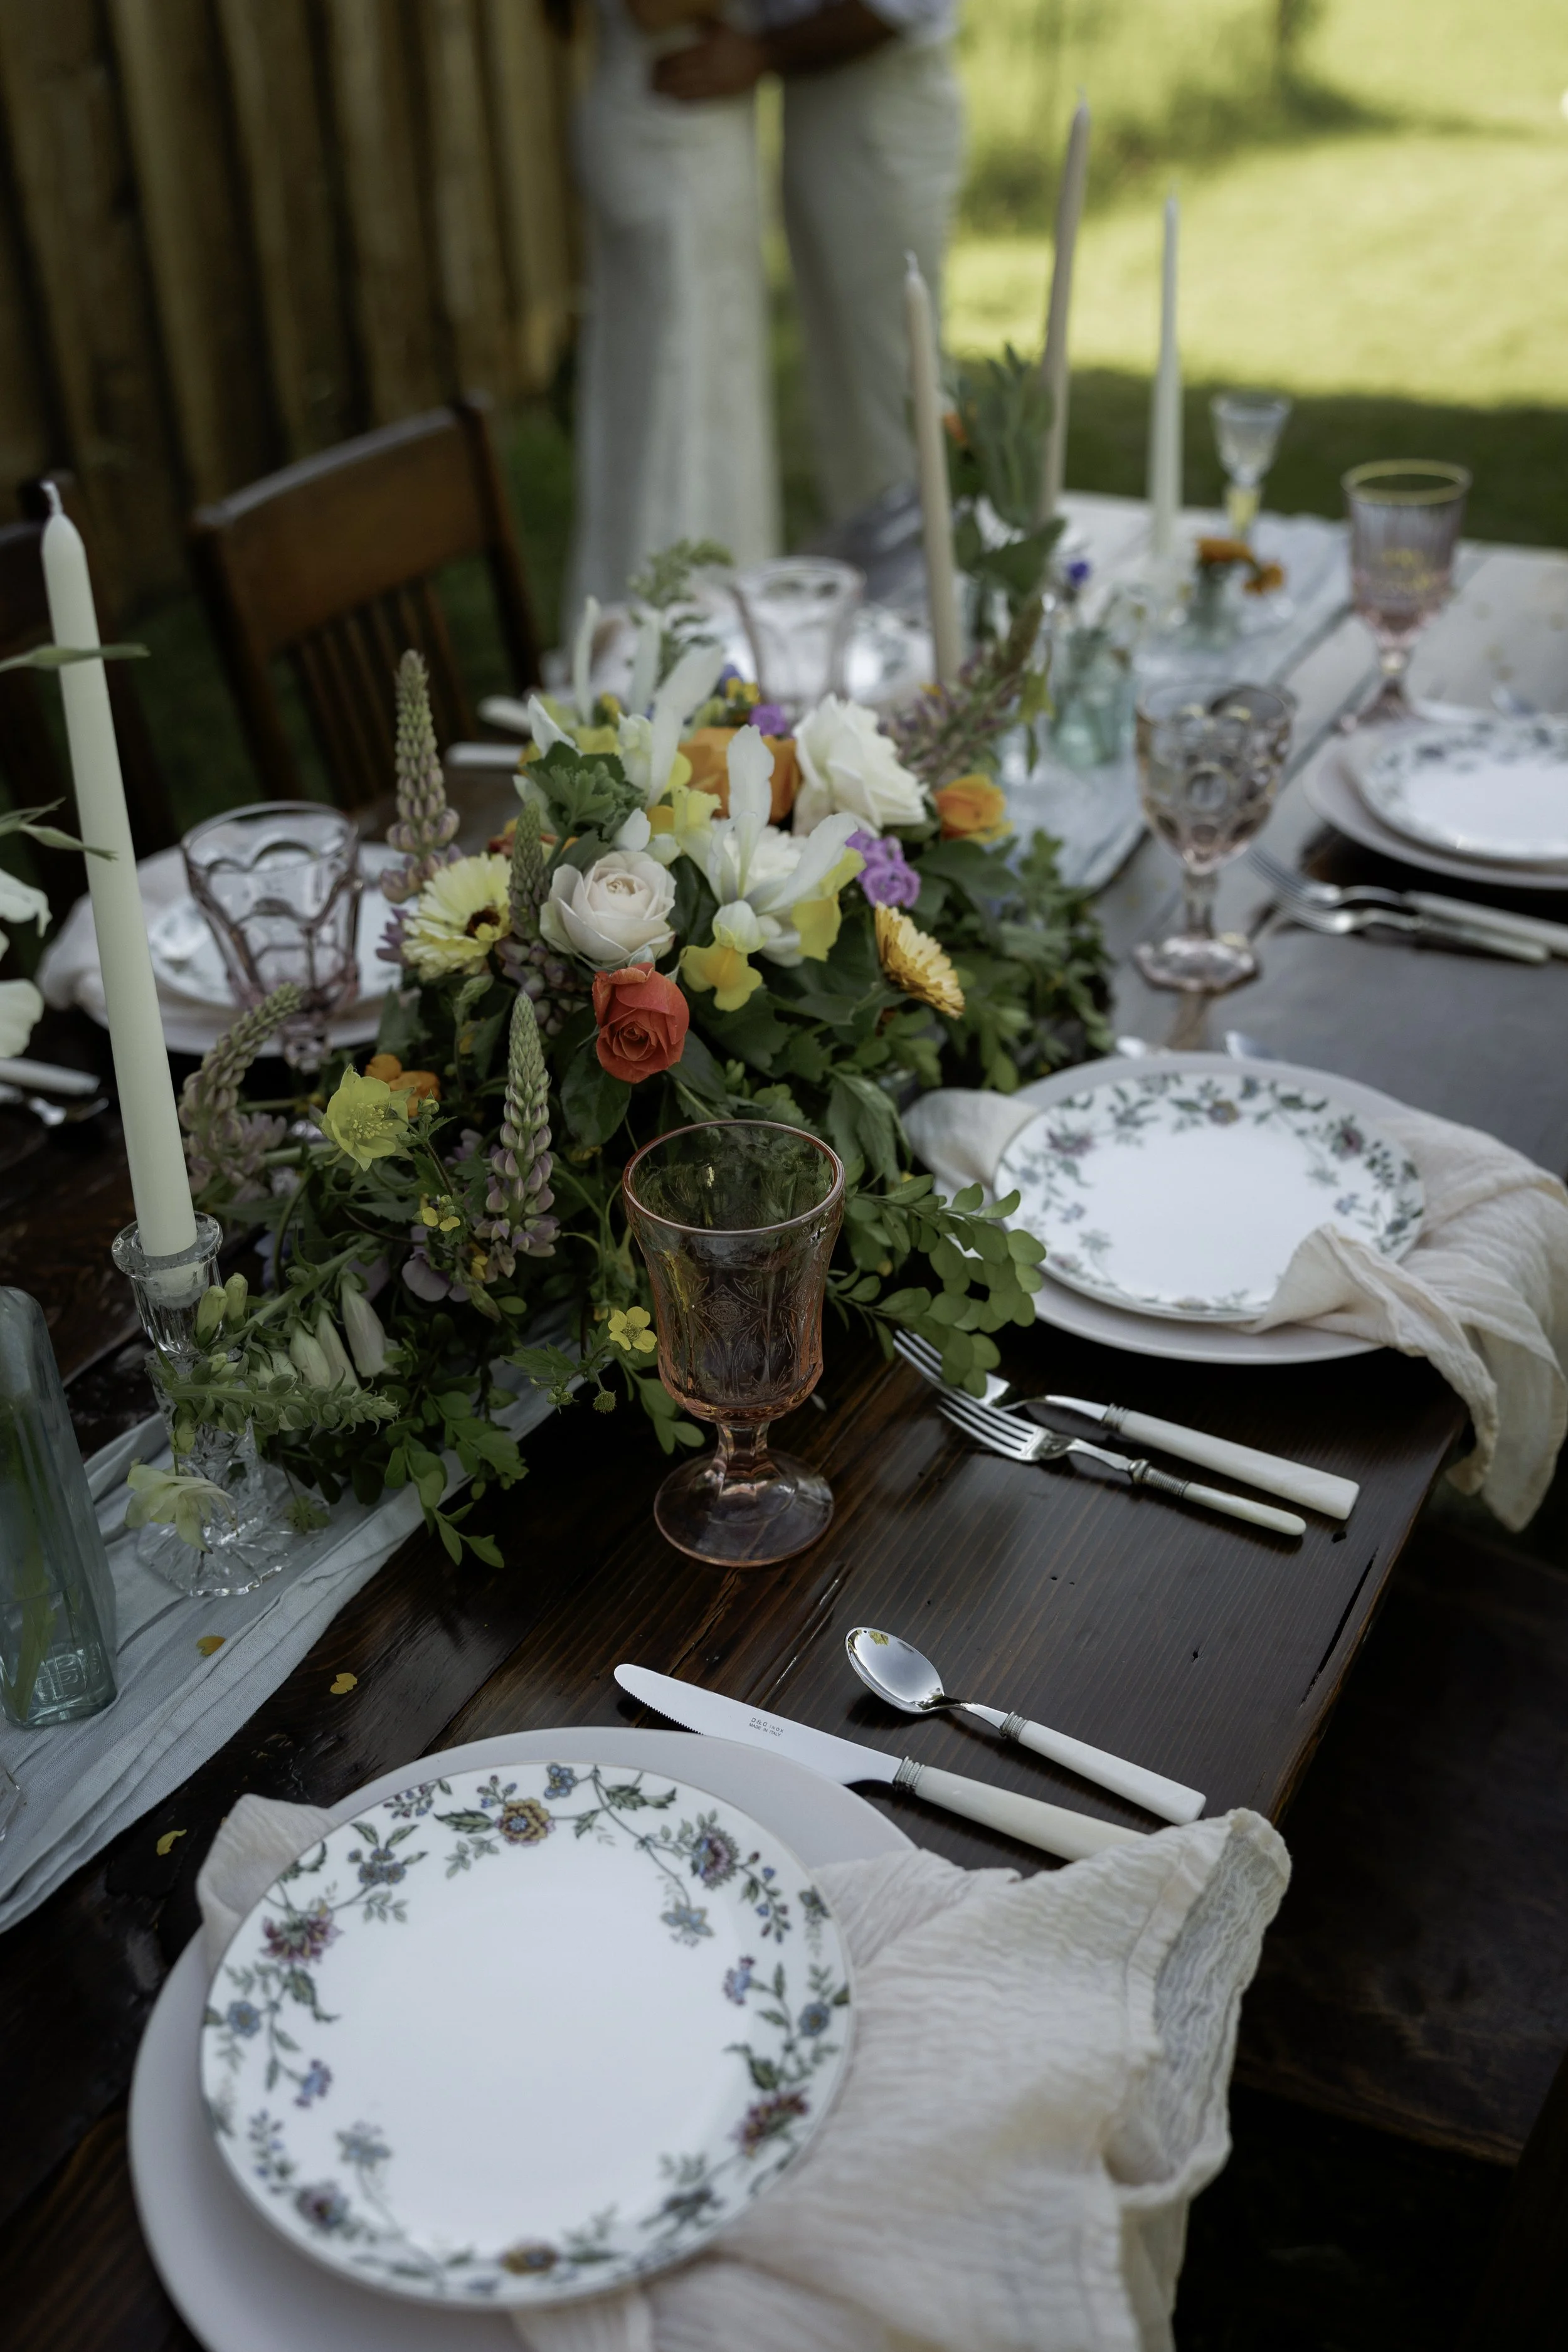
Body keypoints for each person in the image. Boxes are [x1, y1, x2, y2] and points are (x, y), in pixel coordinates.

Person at [655, 3, 963, 524]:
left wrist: (761, 51)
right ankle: (882, 567)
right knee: (845, 402)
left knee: (894, 383)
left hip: (874, 97)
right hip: (812, 97)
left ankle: (936, 570)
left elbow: (898, 7)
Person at [564, 1, 781, 615]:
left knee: (713, 405)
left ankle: (728, 635)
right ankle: (652, 641)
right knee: (670, 414)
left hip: (689, 133)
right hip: (668, 144)